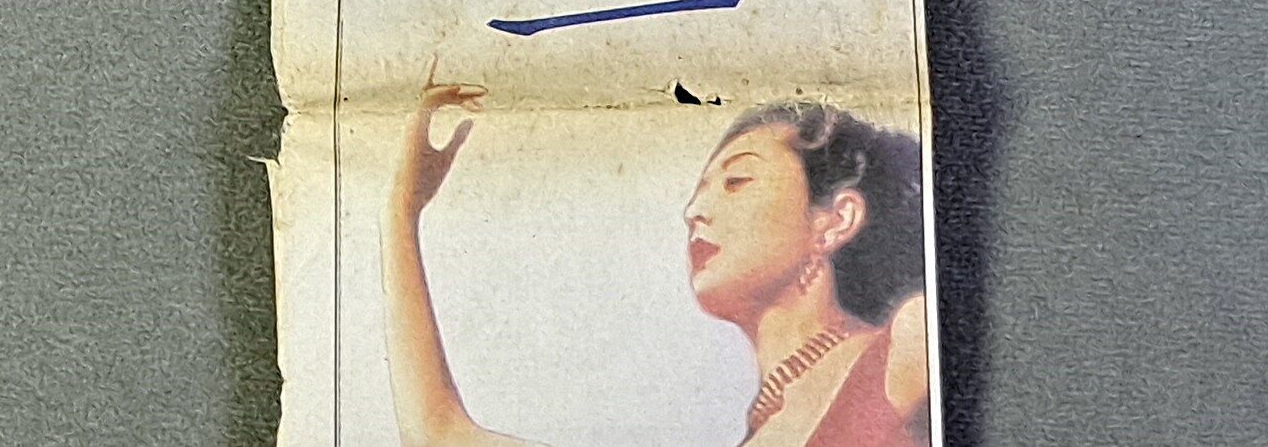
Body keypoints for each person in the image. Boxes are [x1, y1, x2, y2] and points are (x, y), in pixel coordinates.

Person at [383, 82, 931, 447]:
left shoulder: (907, 343)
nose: (694, 211)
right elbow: (438, 435)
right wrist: (401, 213)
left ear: (835, 219)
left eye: (737, 181)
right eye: (699, 191)